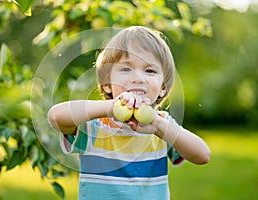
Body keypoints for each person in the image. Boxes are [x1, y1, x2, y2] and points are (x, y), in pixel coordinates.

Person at [47, 26, 210, 200]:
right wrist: (110, 108)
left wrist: (158, 126)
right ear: (107, 84)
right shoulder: (95, 127)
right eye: (126, 69)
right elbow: (56, 117)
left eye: (150, 70)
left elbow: (202, 155)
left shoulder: (161, 126)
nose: (138, 78)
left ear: (162, 88)